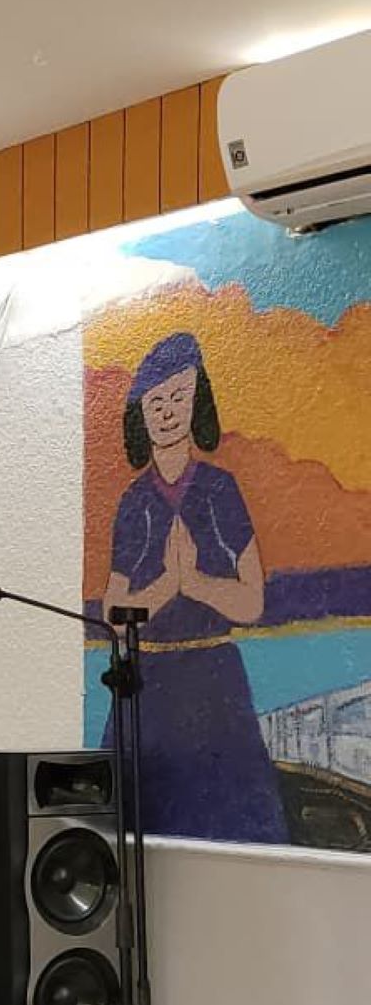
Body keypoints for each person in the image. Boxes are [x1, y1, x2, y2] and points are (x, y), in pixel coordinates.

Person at [102, 331, 284, 841]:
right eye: (155, 403)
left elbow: (251, 601)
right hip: (147, 686)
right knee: (132, 836)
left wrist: (197, 582)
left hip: (214, 684)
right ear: (140, 416)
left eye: (178, 398)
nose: (167, 413)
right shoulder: (134, 502)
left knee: (231, 827)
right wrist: (168, 584)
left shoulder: (221, 489)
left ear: (197, 401)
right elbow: (114, 616)